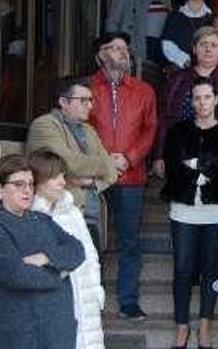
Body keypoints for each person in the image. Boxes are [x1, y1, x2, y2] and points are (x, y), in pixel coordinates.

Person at [160, 78, 218, 349]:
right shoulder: (179, 131)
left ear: (216, 99)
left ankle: (205, 327)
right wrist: (205, 169)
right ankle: (182, 327)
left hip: (216, 210)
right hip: (183, 209)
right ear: (191, 101)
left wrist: (196, 164)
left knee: (210, 269)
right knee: (182, 269)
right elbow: (172, 166)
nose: (202, 102)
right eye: (197, 97)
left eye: (207, 97)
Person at [0, 154, 85, 349]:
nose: (27, 190)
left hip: (56, 331)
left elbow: (77, 250)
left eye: (30, 184)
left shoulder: (40, 219)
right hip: (18, 334)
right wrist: (61, 272)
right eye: (18, 184)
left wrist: (47, 257)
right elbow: (17, 275)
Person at [88, 31, 158, 321]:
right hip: (94, 176)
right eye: (114, 48)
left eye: (125, 48)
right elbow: (83, 127)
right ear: (100, 56)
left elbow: (150, 129)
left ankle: (128, 302)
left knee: (130, 242)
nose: (122, 52)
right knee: (93, 241)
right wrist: (105, 161)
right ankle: (93, 299)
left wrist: (128, 158)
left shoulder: (144, 90)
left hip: (131, 176)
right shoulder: (87, 87)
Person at [26, 75, 119, 250]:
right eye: (83, 100)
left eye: (91, 100)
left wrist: (91, 182)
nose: (90, 105)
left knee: (94, 273)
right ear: (63, 101)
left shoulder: (89, 130)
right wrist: (105, 164)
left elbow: (112, 173)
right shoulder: (44, 125)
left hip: (92, 218)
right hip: (59, 216)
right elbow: (66, 162)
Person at [29, 149, 105, 349]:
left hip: (86, 295)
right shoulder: (30, 215)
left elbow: (89, 254)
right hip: (56, 300)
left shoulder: (72, 211)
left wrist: (97, 289)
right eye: (55, 177)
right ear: (38, 180)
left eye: (63, 175)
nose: (62, 182)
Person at [154, 27, 218, 177]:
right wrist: (159, 155)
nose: (208, 49)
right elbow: (165, 118)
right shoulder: (178, 78)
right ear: (194, 49)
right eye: (203, 44)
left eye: (214, 45)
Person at [161, 0, 212, 69]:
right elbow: (166, 43)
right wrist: (184, 60)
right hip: (180, 71)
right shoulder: (175, 15)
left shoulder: (213, 17)